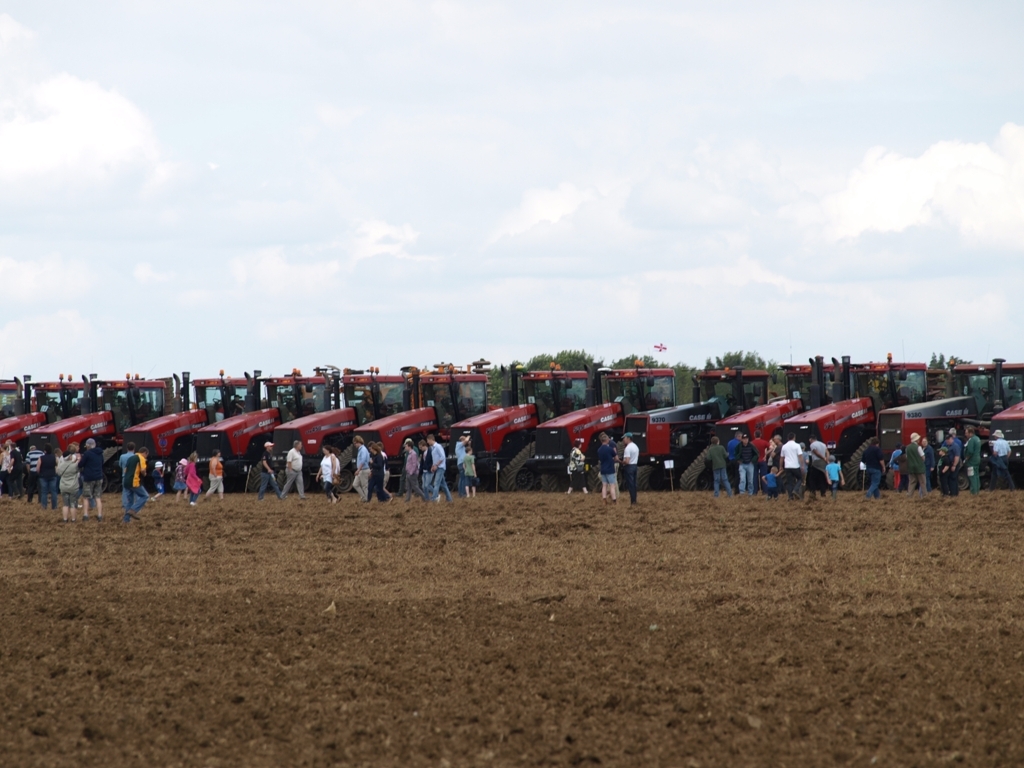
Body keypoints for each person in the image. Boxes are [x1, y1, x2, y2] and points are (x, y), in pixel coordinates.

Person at [79, 438, 105, 522]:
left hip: (89, 478)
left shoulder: (87, 453)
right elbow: (102, 463)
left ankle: (86, 515)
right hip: (99, 477)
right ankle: (100, 515)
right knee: (97, 497)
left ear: (88, 445)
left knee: (86, 497)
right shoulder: (100, 453)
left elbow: (81, 464)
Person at [122, 446, 150, 522]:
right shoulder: (141, 458)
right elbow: (143, 470)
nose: (146, 456)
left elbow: (125, 470)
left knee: (130, 501)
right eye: (146, 455)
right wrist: (144, 474)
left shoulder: (131, 458)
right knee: (145, 496)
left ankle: (126, 520)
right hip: (134, 482)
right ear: (145, 453)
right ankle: (133, 510)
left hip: (126, 482)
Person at [56, 444, 81, 522]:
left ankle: (65, 519)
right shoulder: (74, 465)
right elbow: (78, 469)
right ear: (70, 456)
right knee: (73, 504)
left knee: (65, 504)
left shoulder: (60, 466)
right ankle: (73, 519)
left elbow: (59, 473)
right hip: (73, 486)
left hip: (63, 486)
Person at [425, 434, 451, 502]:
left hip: (440, 467)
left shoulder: (438, 447)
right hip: (437, 467)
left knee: (436, 483)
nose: (427, 442)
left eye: (428, 440)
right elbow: (435, 459)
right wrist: (433, 466)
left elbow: (442, 457)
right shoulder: (433, 448)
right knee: (444, 484)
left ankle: (434, 498)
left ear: (431, 439)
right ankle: (449, 499)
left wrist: (436, 465)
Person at [779, 433, 804, 500]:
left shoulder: (784, 446)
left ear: (788, 438)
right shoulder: (797, 445)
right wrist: (802, 465)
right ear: (794, 437)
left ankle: (790, 496)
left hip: (787, 466)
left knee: (789, 482)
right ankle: (795, 490)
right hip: (795, 466)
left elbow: (781, 457)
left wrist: (780, 466)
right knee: (800, 479)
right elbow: (800, 456)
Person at [597, 432, 618, 503]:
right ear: (606, 440)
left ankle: (604, 499)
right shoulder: (610, 449)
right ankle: (614, 499)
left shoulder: (599, 450)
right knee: (612, 485)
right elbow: (616, 458)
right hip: (610, 469)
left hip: (603, 469)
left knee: (604, 485)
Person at [619, 432, 639, 504]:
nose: (623, 440)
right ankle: (634, 499)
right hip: (634, 466)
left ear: (628, 438)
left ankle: (633, 500)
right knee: (634, 483)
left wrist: (621, 461)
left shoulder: (627, 448)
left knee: (630, 484)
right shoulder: (636, 446)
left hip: (629, 467)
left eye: (624, 438)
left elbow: (627, 461)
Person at [904, 433, 927, 498]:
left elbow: (907, 457)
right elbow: (923, 457)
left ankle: (909, 495)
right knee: (922, 482)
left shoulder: (907, 448)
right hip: (919, 468)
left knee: (912, 482)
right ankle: (925, 496)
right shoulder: (918, 447)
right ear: (916, 440)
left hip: (911, 467)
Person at [37, 444, 59, 511]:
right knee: (53, 492)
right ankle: (54, 507)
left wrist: (39, 473)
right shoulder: (54, 457)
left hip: (43, 476)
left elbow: (37, 468)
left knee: (44, 492)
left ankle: (44, 507)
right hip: (52, 475)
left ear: (45, 450)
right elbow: (57, 466)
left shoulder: (41, 458)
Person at [963, 426, 982, 495]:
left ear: (970, 433)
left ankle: (973, 491)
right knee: (976, 475)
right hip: (977, 459)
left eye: (966, 433)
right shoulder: (977, 439)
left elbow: (970, 451)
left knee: (972, 476)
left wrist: (966, 459)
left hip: (972, 461)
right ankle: (977, 490)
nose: (965, 434)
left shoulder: (971, 440)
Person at [352, 436, 370, 502]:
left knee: (364, 486)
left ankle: (366, 499)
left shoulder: (363, 450)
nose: (355, 445)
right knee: (355, 484)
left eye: (355, 443)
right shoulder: (361, 449)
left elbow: (363, 461)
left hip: (363, 470)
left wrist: (358, 470)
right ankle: (364, 497)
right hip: (361, 470)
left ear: (358, 442)